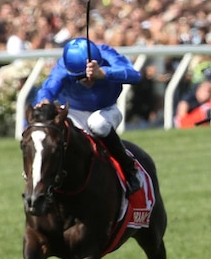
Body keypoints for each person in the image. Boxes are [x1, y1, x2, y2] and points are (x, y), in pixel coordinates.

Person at [34, 37, 141, 195]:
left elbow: (135, 75)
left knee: (97, 124)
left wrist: (104, 73)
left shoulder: (107, 53)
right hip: (74, 112)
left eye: (89, 76)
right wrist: (44, 100)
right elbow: (49, 87)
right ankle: (46, 179)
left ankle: (129, 169)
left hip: (106, 109)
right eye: (80, 78)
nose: (88, 81)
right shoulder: (63, 66)